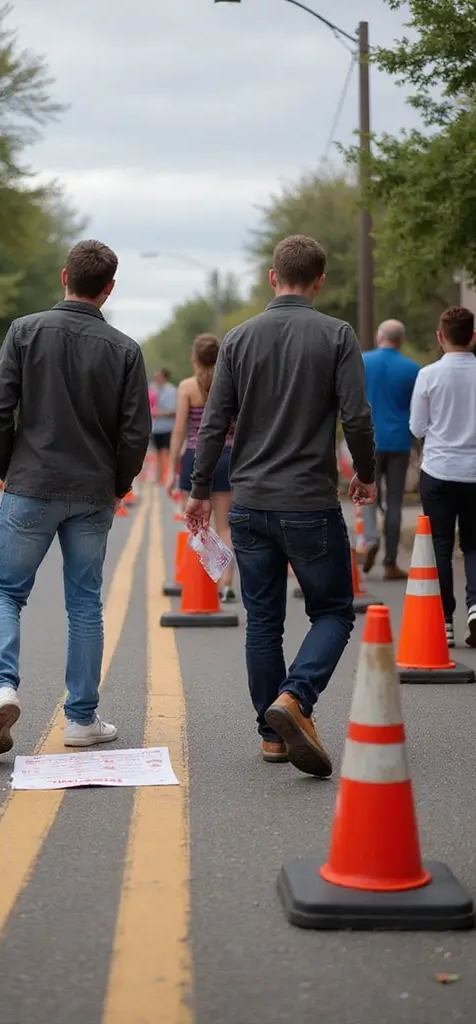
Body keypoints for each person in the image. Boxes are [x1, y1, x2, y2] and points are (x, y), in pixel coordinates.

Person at [185, 235, 376, 778]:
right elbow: (357, 418)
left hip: (248, 505)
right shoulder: (337, 335)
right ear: (319, 281)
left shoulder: (239, 339)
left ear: (273, 278)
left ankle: (272, 736)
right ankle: (295, 697)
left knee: (263, 623)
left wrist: (200, 491)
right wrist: (365, 473)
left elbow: (215, 423)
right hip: (310, 502)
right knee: (334, 612)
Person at [0, 239, 150, 756]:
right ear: (109, 288)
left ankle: (2, 688)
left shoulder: (24, 332)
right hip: (92, 490)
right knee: (84, 604)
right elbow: (135, 432)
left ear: (64, 277)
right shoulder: (124, 349)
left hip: (30, 482)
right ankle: (80, 718)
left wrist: (10, 467)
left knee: (6, 592)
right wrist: (117, 484)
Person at [410, 306, 476, 649]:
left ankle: (445, 620)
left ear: (440, 337)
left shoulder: (428, 375)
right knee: (474, 544)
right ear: (474, 336)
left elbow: (417, 427)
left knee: (440, 545)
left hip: (439, 470)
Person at [167, 333, 236, 601]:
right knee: (225, 526)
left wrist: (172, 468)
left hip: (195, 457)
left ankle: (205, 581)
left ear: (194, 358)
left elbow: (180, 430)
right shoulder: (229, 384)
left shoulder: (186, 387)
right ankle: (227, 583)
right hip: (227, 456)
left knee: (197, 525)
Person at [361, 320, 419, 579]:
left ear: (379, 337)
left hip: (367, 441)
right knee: (394, 501)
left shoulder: (362, 362)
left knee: (366, 493)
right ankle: (390, 563)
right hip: (398, 442)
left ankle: (371, 539)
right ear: (401, 340)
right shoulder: (412, 369)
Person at [150, 368, 177, 483]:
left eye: (158, 377)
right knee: (157, 453)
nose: (156, 379)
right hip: (155, 428)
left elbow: (174, 411)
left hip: (167, 427)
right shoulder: (152, 389)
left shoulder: (171, 391)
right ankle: (159, 476)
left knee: (167, 453)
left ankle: (169, 476)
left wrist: (158, 414)